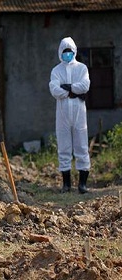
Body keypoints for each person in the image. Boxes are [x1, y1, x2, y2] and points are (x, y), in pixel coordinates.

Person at [49, 37, 91, 194]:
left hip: (80, 113)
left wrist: (67, 88)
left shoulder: (82, 68)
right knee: (64, 146)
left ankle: (82, 184)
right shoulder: (56, 70)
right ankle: (66, 184)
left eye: (70, 51)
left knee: (81, 146)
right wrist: (73, 90)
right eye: (64, 51)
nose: (67, 54)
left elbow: (85, 86)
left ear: (74, 51)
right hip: (62, 114)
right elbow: (54, 90)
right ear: (60, 52)